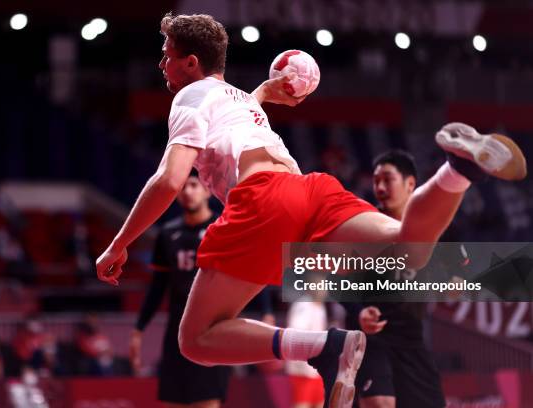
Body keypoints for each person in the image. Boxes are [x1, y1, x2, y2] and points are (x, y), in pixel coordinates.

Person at [96, 13, 527, 408]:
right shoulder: (239, 101)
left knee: (195, 340)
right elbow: (239, 112)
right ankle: (459, 169)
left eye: (166, 57)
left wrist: (118, 244)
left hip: (261, 202)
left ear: (190, 63)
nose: (161, 65)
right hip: (309, 189)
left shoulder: (190, 96)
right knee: (408, 248)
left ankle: (323, 346)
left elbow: (170, 180)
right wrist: (264, 92)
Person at [342, 150, 446, 408]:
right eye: (376, 180)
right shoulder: (363, 226)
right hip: (371, 340)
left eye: (387, 179)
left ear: (410, 184)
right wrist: (359, 311)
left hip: (412, 342)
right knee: (380, 403)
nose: (379, 187)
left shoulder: (428, 229)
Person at [130, 172, 230, 407]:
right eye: (183, 187)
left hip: (212, 325)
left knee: (208, 401)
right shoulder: (167, 234)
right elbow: (157, 287)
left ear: (207, 190)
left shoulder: (223, 228)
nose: (187, 192)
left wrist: (265, 310)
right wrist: (138, 329)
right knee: (173, 401)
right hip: (177, 330)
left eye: (194, 185)